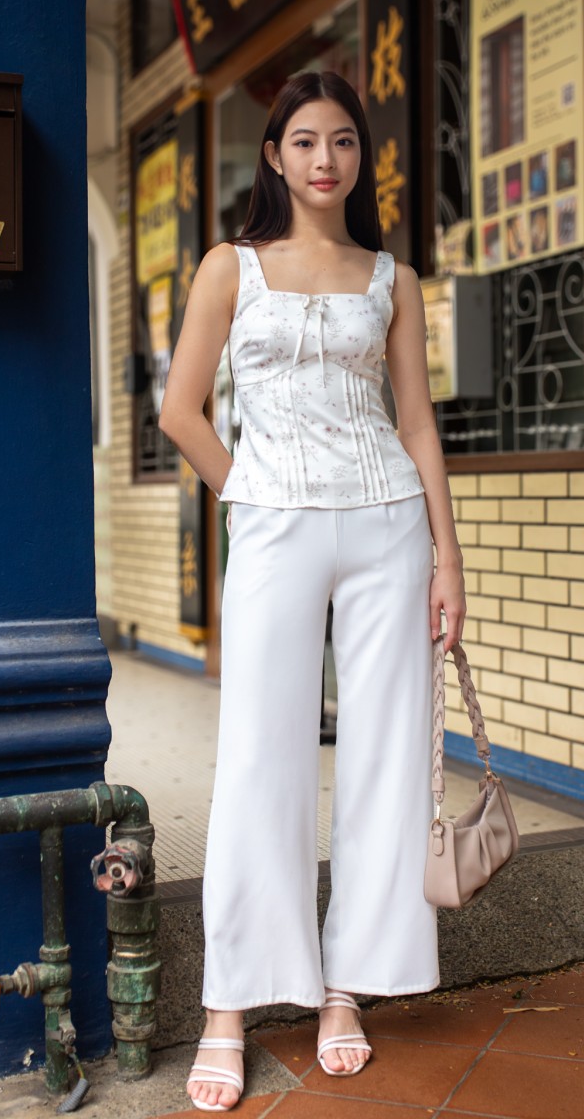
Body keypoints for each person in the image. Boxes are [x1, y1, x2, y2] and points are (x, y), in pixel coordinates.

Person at [159, 70, 466, 1113]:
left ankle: (345, 986)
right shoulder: (230, 267)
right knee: (260, 757)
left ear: (359, 156)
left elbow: (416, 422)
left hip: (388, 524)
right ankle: (229, 1007)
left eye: (341, 140)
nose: (324, 158)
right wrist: (251, 495)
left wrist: (448, 558)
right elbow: (181, 411)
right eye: (303, 141)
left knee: (384, 761)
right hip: (276, 527)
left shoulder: (392, 277)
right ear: (274, 157)